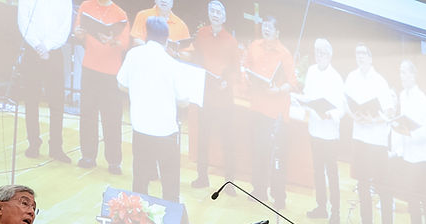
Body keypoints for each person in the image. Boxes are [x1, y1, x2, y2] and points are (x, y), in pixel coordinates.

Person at [117, 17, 202, 202]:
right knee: (169, 185)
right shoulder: (171, 63)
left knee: (140, 181)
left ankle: (138, 222)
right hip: (165, 132)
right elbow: (183, 101)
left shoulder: (133, 54)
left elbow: (121, 83)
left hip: (140, 128)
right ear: (166, 39)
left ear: (147, 34)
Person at [242, 16, 297, 209]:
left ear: (277, 32)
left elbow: (292, 83)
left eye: (270, 27)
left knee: (274, 156)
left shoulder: (284, 54)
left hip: (275, 112)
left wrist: (278, 90)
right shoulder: (254, 46)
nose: (266, 30)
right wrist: (247, 79)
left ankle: (279, 196)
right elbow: (245, 67)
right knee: (257, 151)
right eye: (264, 26)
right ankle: (259, 190)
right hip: (256, 107)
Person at [344, 43, 395, 224]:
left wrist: (373, 119)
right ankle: (367, 223)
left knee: (382, 185)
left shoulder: (380, 81)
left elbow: (389, 111)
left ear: (371, 57)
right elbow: (346, 103)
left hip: (377, 139)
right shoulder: (351, 77)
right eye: (357, 53)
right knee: (362, 183)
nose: (360, 57)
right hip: (359, 136)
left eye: (364, 54)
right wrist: (354, 115)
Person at [74, 0, 130, 174]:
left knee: (111, 118)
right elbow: (78, 33)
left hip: (111, 72)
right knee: (87, 113)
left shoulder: (120, 13)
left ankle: (114, 161)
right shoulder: (86, 6)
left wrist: (113, 41)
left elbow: (125, 43)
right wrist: (78, 33)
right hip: (90, 67)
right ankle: (88, 156)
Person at [191, 1, 239, 189]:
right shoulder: (202, 34)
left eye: (219, 11)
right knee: (203, 139)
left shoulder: (231, 40)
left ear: (224, 17)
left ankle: (230, 183)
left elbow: (235, 68)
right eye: (212, 11)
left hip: (224, 99)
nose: (215, 14)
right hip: (206, 96)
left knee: (227, 142)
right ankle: (202, 177)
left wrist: (227, 81)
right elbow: (196, 57)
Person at [391, 59, 426, 224]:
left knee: (425, 201)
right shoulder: (402, 96)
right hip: (408, 156)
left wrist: (410, 133)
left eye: (405, 73)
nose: (402, 76)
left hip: (421, 158)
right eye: (400, 73)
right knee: (411, 198)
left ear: (413, 75)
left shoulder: (422, 99)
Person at [297, 38, 345, 224]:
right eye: (317, 52)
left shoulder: (336, 77)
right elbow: (308, 96)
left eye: (323, 53)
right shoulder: (310, 71)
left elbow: (341, 108)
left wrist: (329, 114)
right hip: (315, 129)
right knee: (317, 171)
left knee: (332, 174)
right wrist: (304, 103)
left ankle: (336, 211)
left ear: (330, 56)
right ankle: (321, 207)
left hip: (329, 132)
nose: (319, 56)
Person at [17, 0, 72, 162]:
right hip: (32, 50)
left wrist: (47, 46)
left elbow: (65, 27)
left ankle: (56, 147)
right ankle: (33, 143)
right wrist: (37, 45)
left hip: (54, 52)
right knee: (31, 100)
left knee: (56, 102)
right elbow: (23, 20)